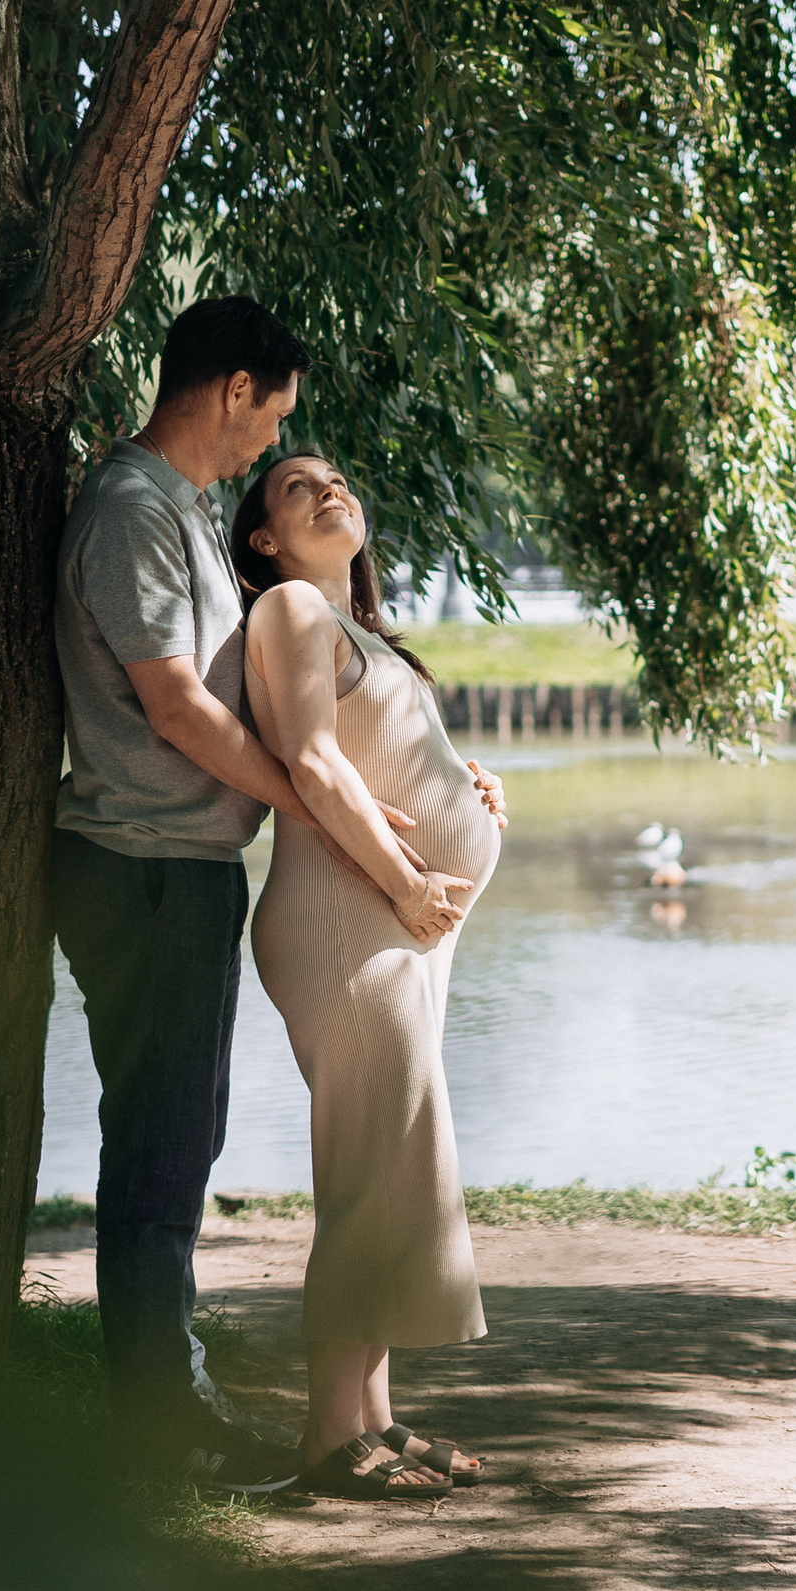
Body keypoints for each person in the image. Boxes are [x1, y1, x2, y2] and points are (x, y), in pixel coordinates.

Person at [48, 296, 501, 1494]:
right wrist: (341, 826)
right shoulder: (136, 509)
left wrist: (439, 787)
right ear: (235, 388)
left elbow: (305, 723)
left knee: (183, 1146)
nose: (274, 449)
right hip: (143, 865)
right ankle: (163, 1424)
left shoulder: (187, 518)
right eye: (279, 425)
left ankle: (237, 1407)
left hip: (186, 865)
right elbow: (182, 709)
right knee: (159, 1154)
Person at [235, 450, 503, 1501]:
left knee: (392, 1172)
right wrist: (405, 880)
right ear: (264, 540)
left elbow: (379, 755)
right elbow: (309, 760)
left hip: (399, 922)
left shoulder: (356, 630)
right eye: (295, 488)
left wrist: (468, 797)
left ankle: (373, 1425)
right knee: (366, 1179)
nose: (326, 490)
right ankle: (324, 1442)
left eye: (335, 478)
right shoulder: (293, 609)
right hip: (351, 921)